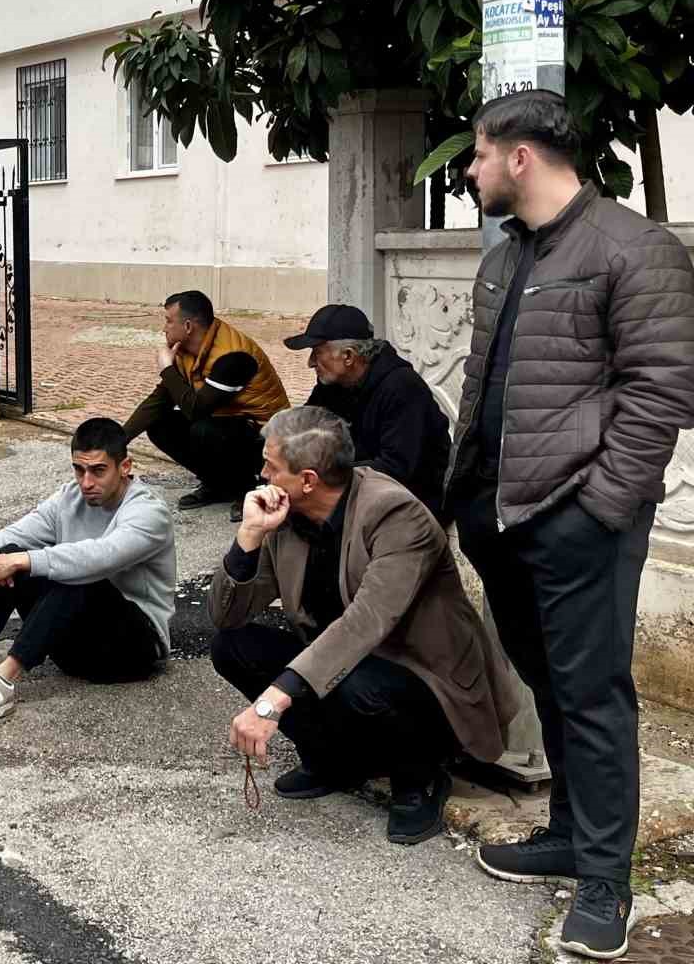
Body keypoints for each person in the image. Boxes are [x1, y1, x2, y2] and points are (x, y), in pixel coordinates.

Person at [445, 91, 694, 959]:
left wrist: (601, 507)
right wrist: (467, 499)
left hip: (580, 519)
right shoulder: (505, 256)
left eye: (478, 155)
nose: (469, 171)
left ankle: (604, 881)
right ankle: (564, 832)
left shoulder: (634, 247)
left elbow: (663, 391)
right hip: (500, 514)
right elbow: (487, 388)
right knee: (549, 682)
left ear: (519, 157)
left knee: (593, 697)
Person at [210, 407, 515, 846]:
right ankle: (334, 761)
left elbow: (366, 623)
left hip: (426, 682)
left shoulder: (395, 514)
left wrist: (270, 704)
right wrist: (249, 538)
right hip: (345, 670)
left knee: (361, 683)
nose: (261, 475)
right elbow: (226, 615)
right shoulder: (287, 515)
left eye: (270, 467)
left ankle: (420, 779)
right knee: (232, 646)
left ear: (309, 479)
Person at [0, 417, 174, 725]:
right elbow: (8, 537)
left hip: (132, 650)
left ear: (125, 466)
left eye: (98, 470)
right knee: (10, 555)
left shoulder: (149, 512)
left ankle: (3, 681)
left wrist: (22, 562)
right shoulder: (70, 497)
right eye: (79, 469)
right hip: (74, 648)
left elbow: (101, 557)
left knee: (74, 572)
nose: (86, 482)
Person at [122, 290, 289, 516]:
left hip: (266, 436)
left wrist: (167, 369)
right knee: (160, 423)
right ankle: (218, 484)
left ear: (188, 326)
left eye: (169, 321)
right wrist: (117, 441)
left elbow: (197, 410)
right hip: (228, 422)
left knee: (205, 429)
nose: (164, 328)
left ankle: (249, 488)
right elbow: (161, 399)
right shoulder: (186, 349)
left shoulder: (233, 356)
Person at [287, 303, 451, 520]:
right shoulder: (332, 383)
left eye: (317, 353)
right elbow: (304, 428)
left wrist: (324, 475)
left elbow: (397, 468)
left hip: (408, 501)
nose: (310, 363)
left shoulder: (402, 387)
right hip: (357, 485)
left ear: (348, 356)